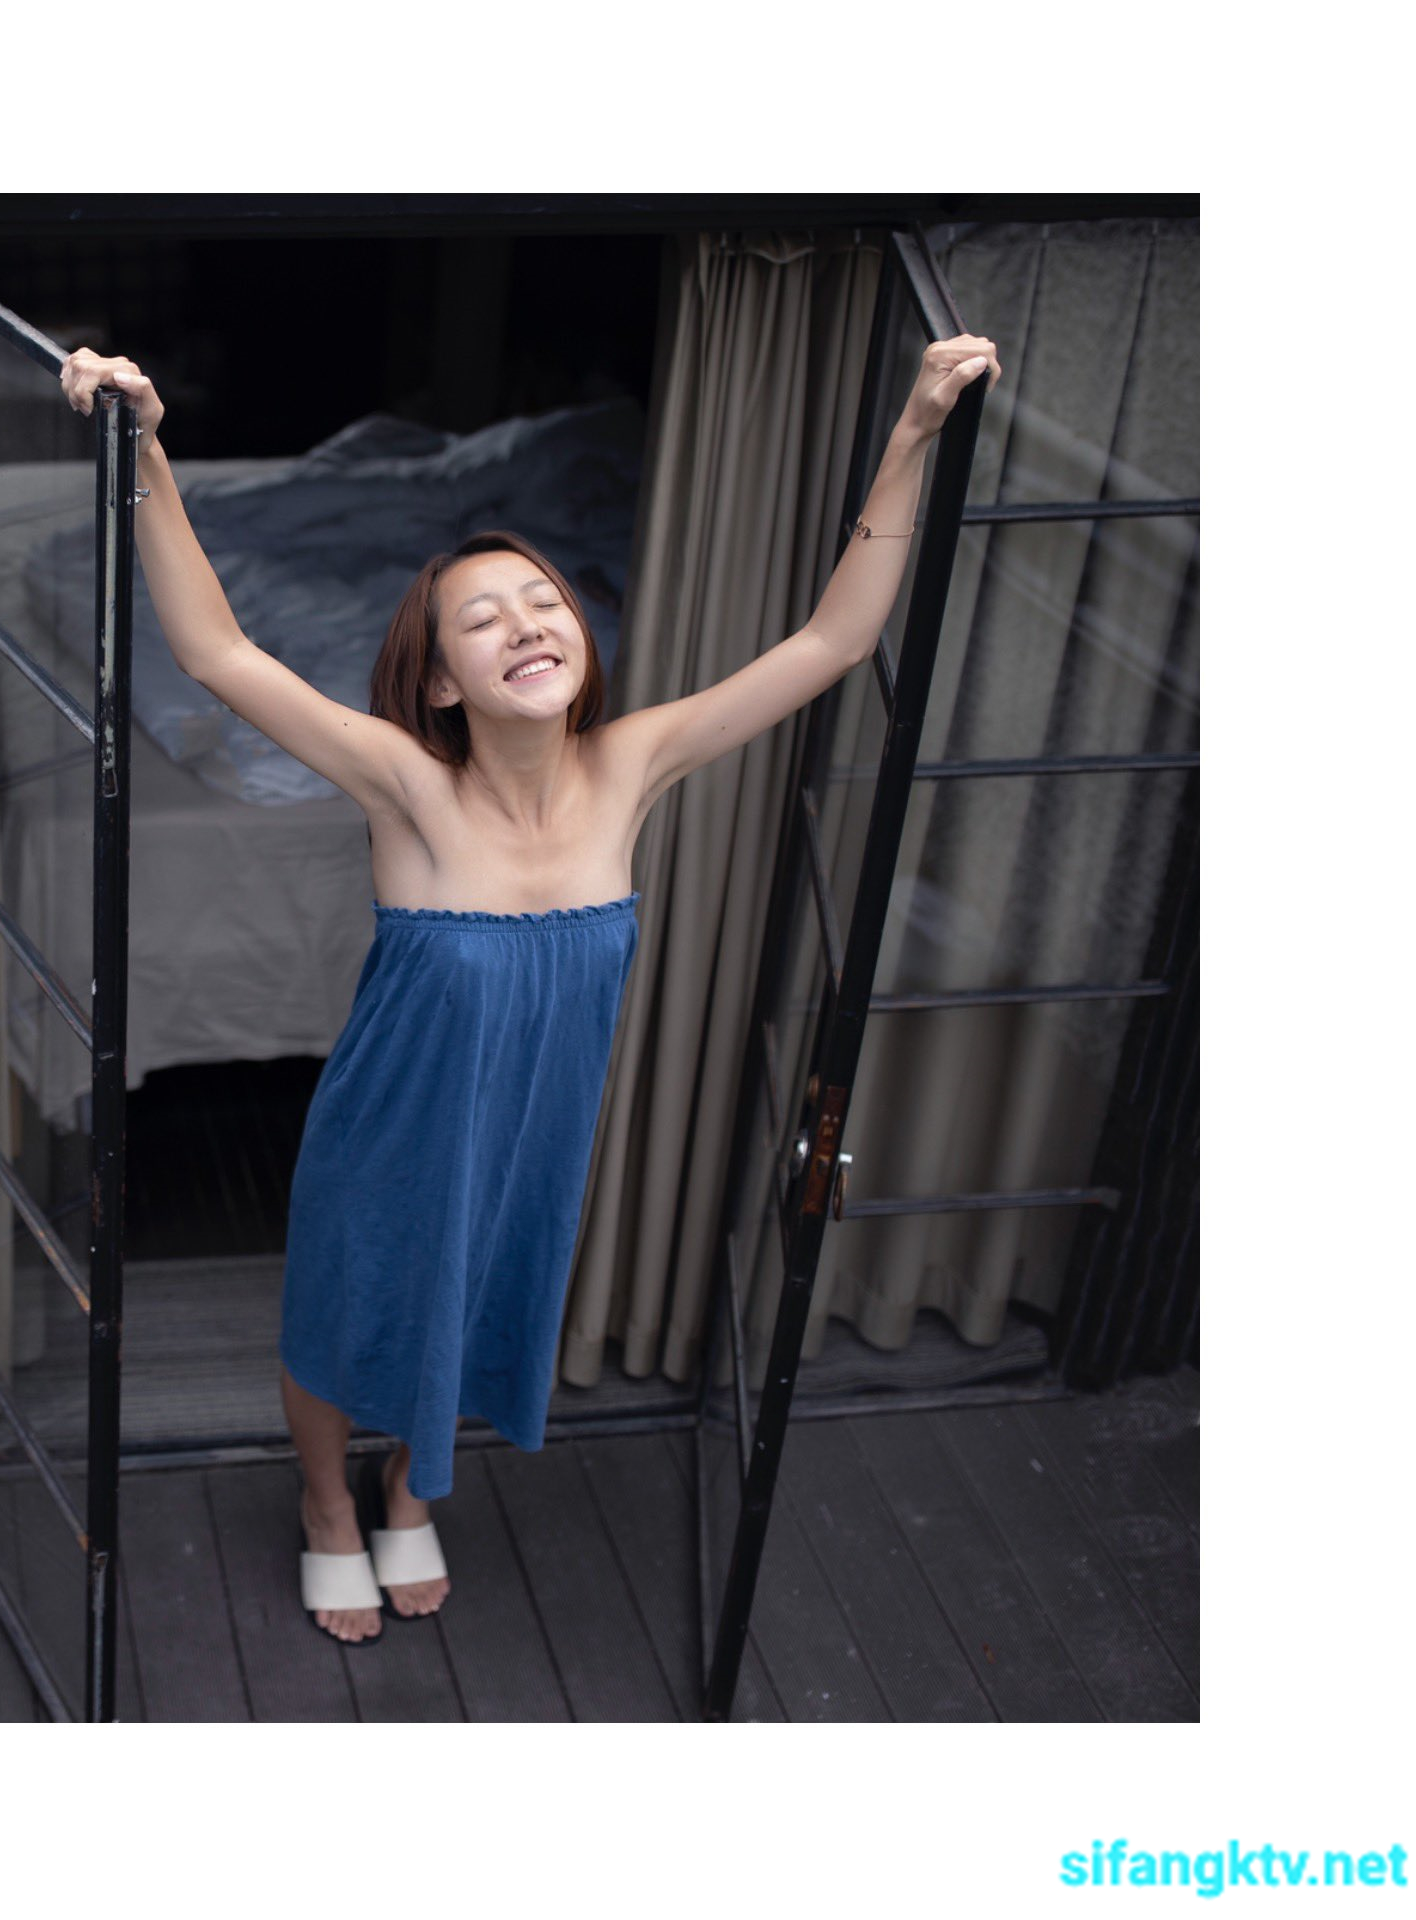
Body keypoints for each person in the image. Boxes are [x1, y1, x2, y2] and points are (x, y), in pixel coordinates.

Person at [59, 334, 1000, 1645]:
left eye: (543, 600)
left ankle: (409, 1489)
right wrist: (148, 449)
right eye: (483, 617)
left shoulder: (634, 764)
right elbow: (219, 654)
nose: (526, 623)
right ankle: (328, 1505)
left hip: (535, 1129)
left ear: (580, 637)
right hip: (390, 1126)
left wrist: (910, 438)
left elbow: (836, 638)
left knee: (474, 1308)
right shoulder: (406, 781)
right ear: (443, 679)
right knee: (342, 1317)